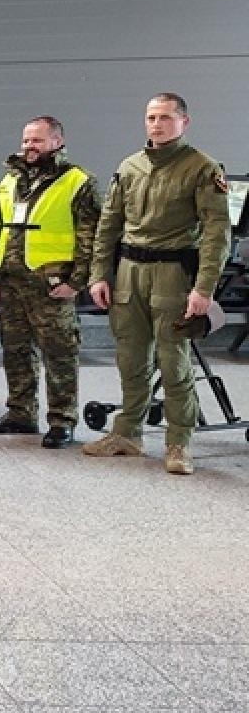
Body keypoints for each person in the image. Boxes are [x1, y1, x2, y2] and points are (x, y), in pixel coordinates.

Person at [84, 93, 231, 475]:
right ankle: (128, 433)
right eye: (151, 117)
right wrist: (99, 274)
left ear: (184, 122)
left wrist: (204, 288)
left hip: (173, 275)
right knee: (131, 358)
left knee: (173, 361)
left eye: (165, 117)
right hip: (130, 273)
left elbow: (217, 233)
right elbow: (108, 225)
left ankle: (179, 442)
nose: (156, 124)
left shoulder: (201, 168)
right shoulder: (130, 166)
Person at [0, 116, 101, 448]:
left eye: (38, 140)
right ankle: (21, 413)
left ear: (58, 142)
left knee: (59, 353)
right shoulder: (9, 181)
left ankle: (63, 420)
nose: (30, 147)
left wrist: (77, 281)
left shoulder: (78, 181)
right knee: (16, 350)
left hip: (53, 283)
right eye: (26, 140)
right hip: (12, 282)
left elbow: (91, 236)